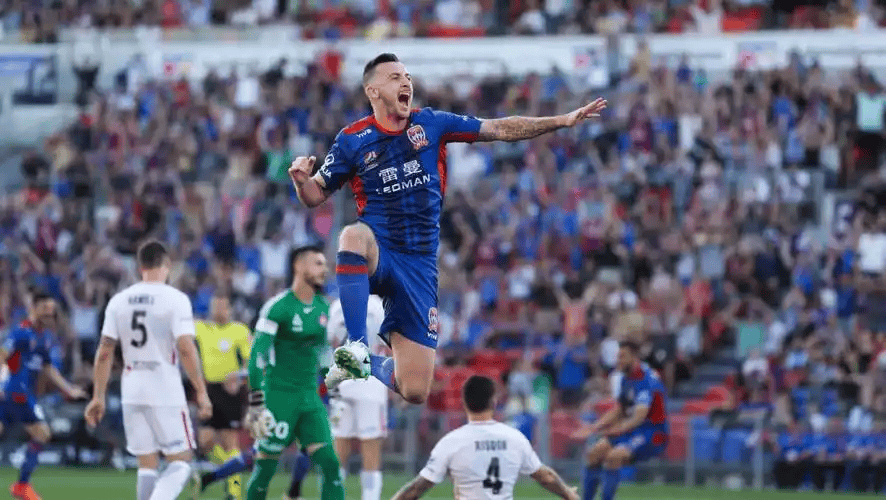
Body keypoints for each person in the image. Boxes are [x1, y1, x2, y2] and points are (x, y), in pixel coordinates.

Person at [288, 52, 607, 404]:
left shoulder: (432, 123)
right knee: (352, 235)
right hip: (381, 249)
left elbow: (499, 128)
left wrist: (561, 120)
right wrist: (302, 181)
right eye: (395, 77)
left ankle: (365, 364)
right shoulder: (352, 139)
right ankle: (357, 345)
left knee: (414, 390)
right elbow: (315, 194)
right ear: (373, 91)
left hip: (420, 265)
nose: (406, 82)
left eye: (407, 76)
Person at [85, 240, 213, 500]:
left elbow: (105, 351)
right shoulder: (175, 299)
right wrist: (201, 391)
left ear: (140, 266)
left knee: (147, 464)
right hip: (164, 385)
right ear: (167, 265)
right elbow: (186, 348)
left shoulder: (119, 300)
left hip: (132, 387)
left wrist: (98, 396)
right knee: (181, 462)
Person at [241, 245, 344, 500]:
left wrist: (336, 393)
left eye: (325, 264)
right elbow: (257, 356)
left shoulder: (324, 309)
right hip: (279, 398)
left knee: (330, 464)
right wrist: (256, 402)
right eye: (318, 263)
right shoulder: (277, 307)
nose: (325, 269)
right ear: (299, 266)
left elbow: (324, 356)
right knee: (265, 470)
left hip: (309, 399)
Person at [391, 374, 577, 500]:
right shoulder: (515, 438)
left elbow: (417, 488)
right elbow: (545, 477)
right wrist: (568, 493)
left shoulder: (451, 442)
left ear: (464, 403)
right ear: (493, 402)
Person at [0, 292, 86, 500]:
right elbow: (2, 355)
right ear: (34, 308)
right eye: (45, 310)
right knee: (42, 433)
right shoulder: (21, 332)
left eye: (52, 311)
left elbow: (48, 368)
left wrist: (68, 389)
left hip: (18, 393)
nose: (50, 314)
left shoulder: (44, 337)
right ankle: (22, 486)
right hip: (15, 391)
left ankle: (22, 485)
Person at [570, 341, 669, 500]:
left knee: (613, 456)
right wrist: (594, 427)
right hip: (634, 430)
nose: (618, 360)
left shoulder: (647, 379)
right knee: (593, 453)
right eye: (618, 356)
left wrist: (613, 430)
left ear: (634, 357)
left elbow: (638, 418)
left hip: (652, 433)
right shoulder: (626, 378)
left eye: (622, 356)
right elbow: (619, 410)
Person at [325, 294, 388, 500]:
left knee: (339, 446)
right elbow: (388, 342)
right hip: (371, 383)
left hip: (341, 383)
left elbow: (331, 341)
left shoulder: (337, 305)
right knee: (370, 448)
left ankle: (333, 495)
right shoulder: (379, 306)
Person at [195, 292, 252, 500]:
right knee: (205, 442)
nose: (218, 311)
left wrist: (239, 376)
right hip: (209, 390)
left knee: (230, 442)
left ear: (229, 309)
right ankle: (224, 471)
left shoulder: (239, 330)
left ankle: (234, 493)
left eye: (222, 307)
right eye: (215, 306)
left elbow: (251, 362)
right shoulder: (201, 328)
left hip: (231, 393)